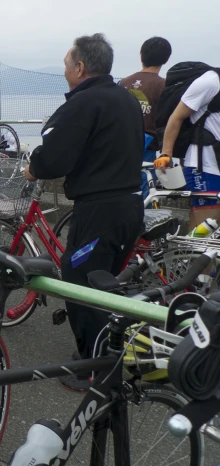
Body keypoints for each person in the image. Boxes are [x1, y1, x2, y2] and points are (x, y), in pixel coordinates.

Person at [22, 34, 144, 392]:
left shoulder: (83, 102)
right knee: (104, 283)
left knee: (81, 284)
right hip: (129, 205)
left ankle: (96, 369)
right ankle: (106, 355)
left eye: (65, 65)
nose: (64, 72)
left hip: (99, 210)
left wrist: (34, 167)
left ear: (79, 67)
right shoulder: (126, 98)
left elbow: (55, 156)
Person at [156, 63, 220, 230]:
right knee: (206, 229)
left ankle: (184, 256)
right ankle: (188, 256)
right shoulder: (211, 82)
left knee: (209, 233)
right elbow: (176, 117)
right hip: (205, 167)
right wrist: (166, 154)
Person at [121, 37, 172, 163]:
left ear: (141, 55)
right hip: (147, 147)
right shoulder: (164, 86)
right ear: (165, 59)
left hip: (120, 143)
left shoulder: (123, 82)